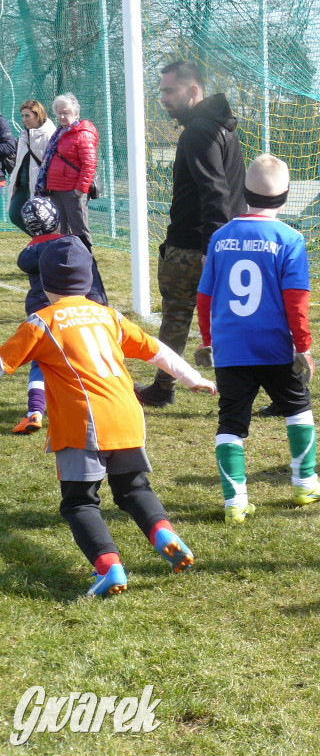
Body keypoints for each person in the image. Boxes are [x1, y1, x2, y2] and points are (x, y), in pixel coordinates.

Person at [0, 237, 216, 597]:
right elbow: (157, 350)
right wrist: (193, 378)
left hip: (82, 423)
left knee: (80, 502)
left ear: (45, 283)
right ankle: (165, 534)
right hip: (127, 415)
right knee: (133, 489)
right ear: (87, 280)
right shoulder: (108, 315)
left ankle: (109, 569)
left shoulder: (41, 322)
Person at [195, 154, 320, 523]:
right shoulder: (290, 239)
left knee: (231, 421)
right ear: (286, 196)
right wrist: (303, 347)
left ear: (243, 193)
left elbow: (204, 296)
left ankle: (235, 502)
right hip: (275, 347)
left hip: (230, 348)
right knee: (298, 408)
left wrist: (208, 340)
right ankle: (305, 483)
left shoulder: (220, 238)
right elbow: (296, 300)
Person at [135, 60, 246, 409]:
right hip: (220, 242)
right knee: (237, 321)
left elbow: (216, 192)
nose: (163, 98)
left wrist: (215, 247)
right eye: (161, 91)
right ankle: (280, 394)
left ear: (193, 90)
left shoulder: (199, 131)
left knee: (177, 316)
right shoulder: (223, 129)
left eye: (170, 91)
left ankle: (162, 388)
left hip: (194, 247)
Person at [13, 197, 108, 435]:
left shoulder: (29, 254)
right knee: (87, 356)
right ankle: (98, 403)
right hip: (74, 310)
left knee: (41, 360)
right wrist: (100, 304)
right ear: (56, 220)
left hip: (41, 311)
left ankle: (35, 412)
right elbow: (92, 279)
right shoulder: (71, 246)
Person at [35, 93, 96, 248]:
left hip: (73, 190)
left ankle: (86, 259)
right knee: (62, 231)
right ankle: (66, 259)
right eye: (59, 113)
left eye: (66, 113)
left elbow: (89, 164)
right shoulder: (59, 133)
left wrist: (80, 189)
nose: (62, 116)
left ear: (76, 114)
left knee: (79, 230)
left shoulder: (82, 134)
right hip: (56, 189)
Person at [8, 100, 55, 233]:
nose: (24, 119)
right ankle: (40, 240)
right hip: (22, 184)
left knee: (41, 220)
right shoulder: (24, 134)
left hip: (39, 185)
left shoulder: (49, 134)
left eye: (27, 116)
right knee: (15, 214)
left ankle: (47, 241)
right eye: (22, 116)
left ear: (37, 115)